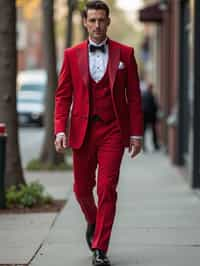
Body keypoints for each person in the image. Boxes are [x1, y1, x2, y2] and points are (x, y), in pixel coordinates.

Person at [54, 1, 143, 265]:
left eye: (102, 20)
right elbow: (62, 95)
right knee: (82, 189)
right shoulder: (72, 55)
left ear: (108, 22)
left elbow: (135, 98)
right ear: (84, 22)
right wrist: (60, 129)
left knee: (107, 188)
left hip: (113, 131)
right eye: (92, 20)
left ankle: (100, 248)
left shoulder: (125, 54)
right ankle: (93, 221)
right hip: (82, 130)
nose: (97, 25)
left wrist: (135, 134)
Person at [141, 83, 160, 151]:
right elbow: (155, 106)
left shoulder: (143, 95)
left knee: (144, 132)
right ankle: (155, 145)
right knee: (153, 131)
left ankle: (143, 146)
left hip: (144, 116)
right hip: (151, 117)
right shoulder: (152, 96)